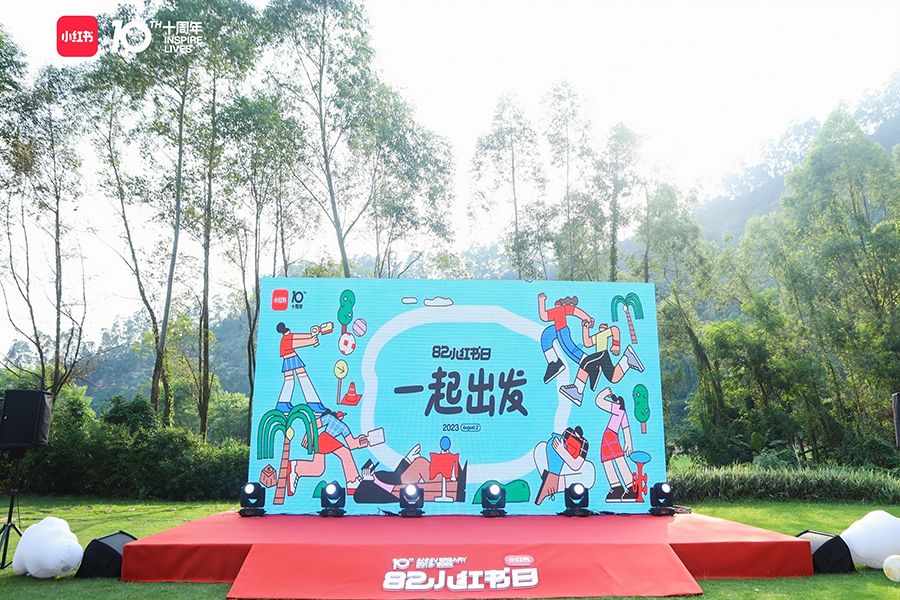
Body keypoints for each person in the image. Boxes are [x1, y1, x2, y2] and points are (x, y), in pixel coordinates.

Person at [558, 322, 645, 406]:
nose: (601, 327)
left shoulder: (605, 333)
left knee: (586, 363)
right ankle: (627, 360)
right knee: (613, 377)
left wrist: (616, 344)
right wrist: (585, 328)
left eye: (604, 327)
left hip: (602, 354)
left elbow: (615, 329)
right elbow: (587, 343)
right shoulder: (597, 336)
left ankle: (577, 390)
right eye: (601, 327)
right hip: (602, 357)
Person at [538, 293, 594, 384]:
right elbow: (544, 316)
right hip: (556, 329)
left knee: (569, 349)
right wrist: (541, 301)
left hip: (562, 330)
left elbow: (575, 311)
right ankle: (554, 363)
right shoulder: (555, 311)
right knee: (546, 337)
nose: (557, 305)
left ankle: (589, 362)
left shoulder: (564, 308)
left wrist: (587, 318)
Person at [595, 387, 639, 502]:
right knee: (609, 460)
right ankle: (619, 487)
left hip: (610, 436)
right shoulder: (623, 412)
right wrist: (628, 443)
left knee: (617, 459)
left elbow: (599, 401)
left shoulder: (617, 408)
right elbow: (626, 428)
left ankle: (628, 486)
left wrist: (604, 393)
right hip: (610, 436)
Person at [275, 322, 326, 414]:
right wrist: (311, 341)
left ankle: (284, 403)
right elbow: (295, 343)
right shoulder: (285, 339)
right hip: (290, 358)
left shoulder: (288, 337)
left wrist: (311, 335)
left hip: (291, 358)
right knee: (295, 380)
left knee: (294, 380)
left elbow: (297, 337)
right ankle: (312, 403)